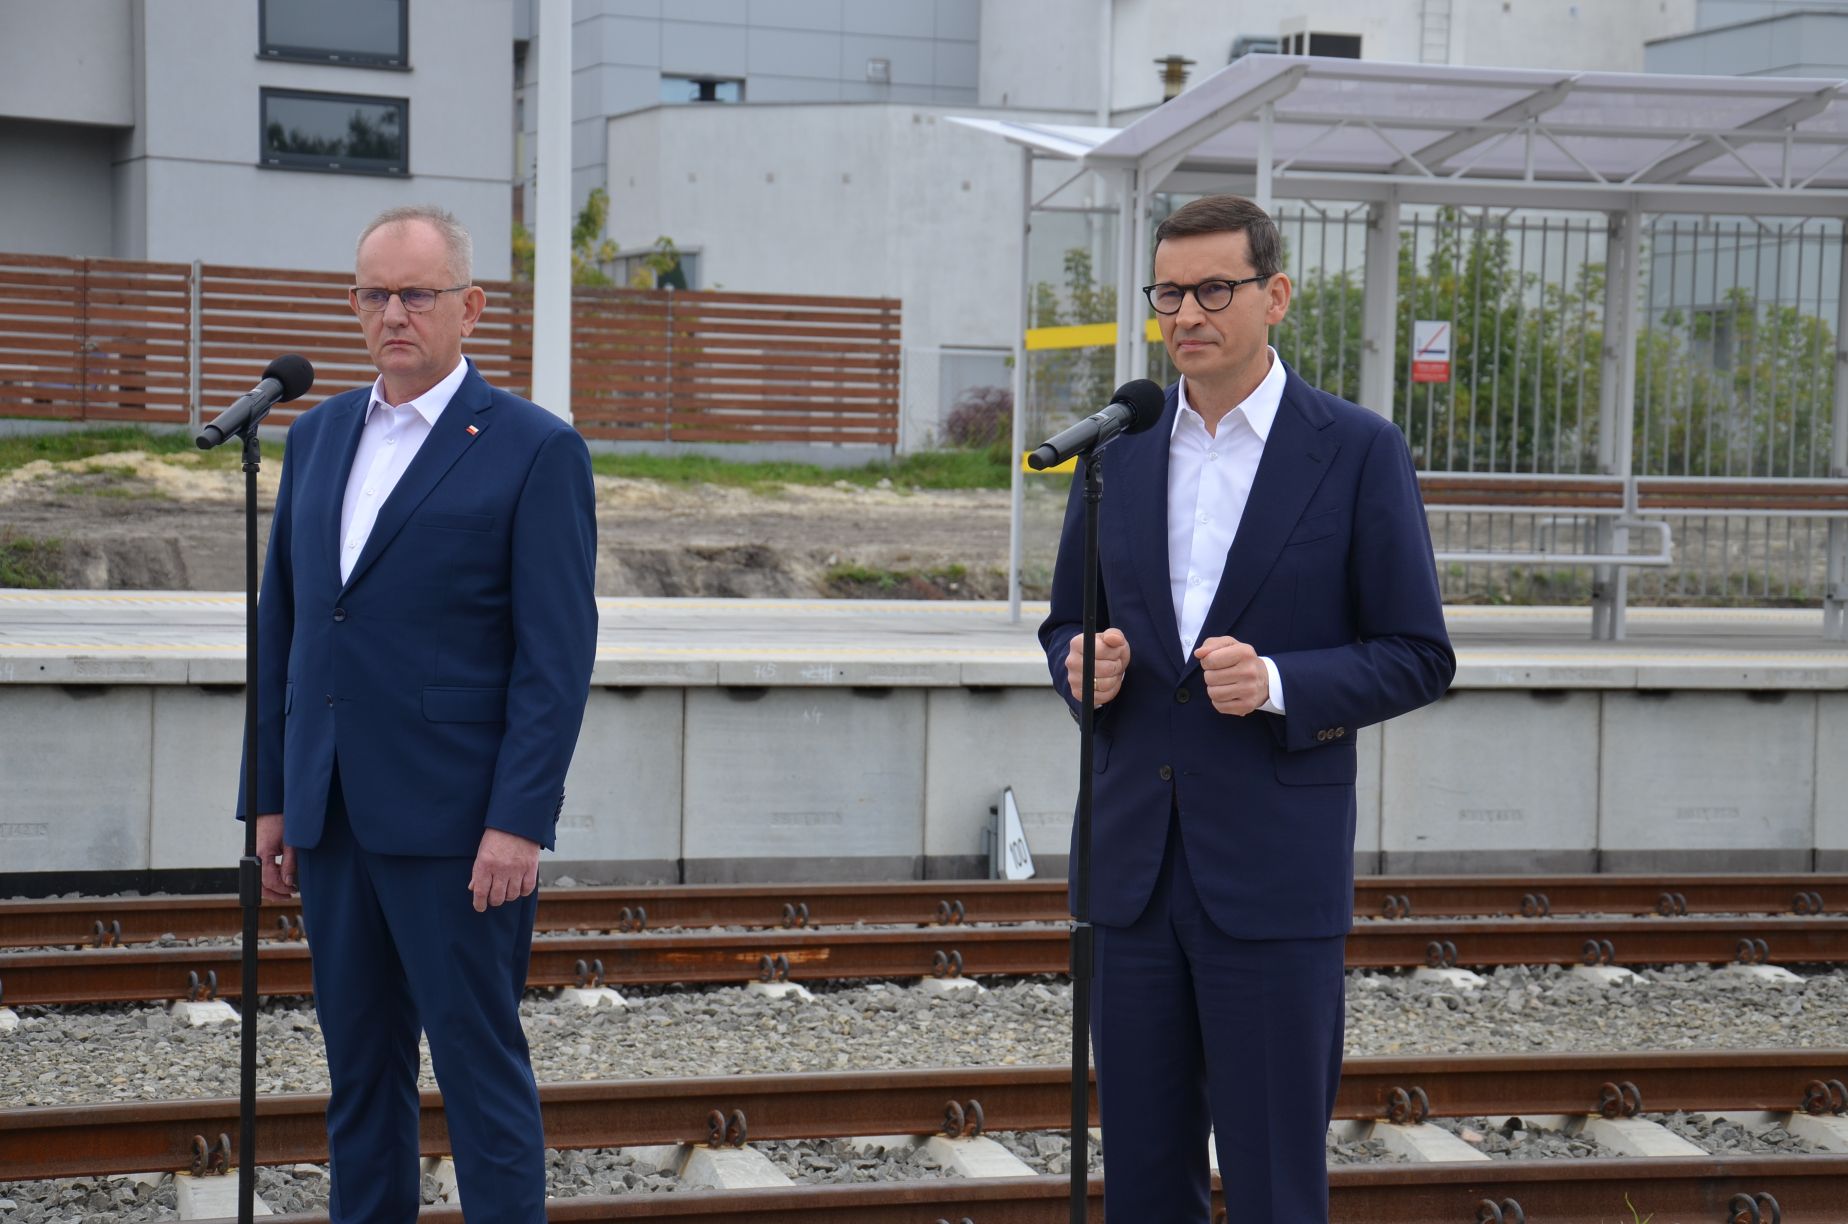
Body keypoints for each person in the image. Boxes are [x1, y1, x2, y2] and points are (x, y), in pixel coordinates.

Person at [1038, 195, 1454, 1222]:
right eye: (1170, 292)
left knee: (1273, 1180)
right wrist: (1077, 665)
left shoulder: (1355, 450)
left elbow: (1419, 654)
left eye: (1214, 289)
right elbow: (1061, 627)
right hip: (1132, 877)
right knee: (1141, 1180)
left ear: (1275, 297)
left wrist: (1277, 685)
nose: (1188, 314)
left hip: (1271, 879)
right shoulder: (1119, 451)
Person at [242, 203, 597, 1223]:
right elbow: (290, 630)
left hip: (459, 825)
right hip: (335, 814)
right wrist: (270, 797)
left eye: (416, 294)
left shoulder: (533, 449)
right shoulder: (313, 440)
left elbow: (555, 658)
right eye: (373, 294)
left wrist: (519, 819)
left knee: (480, 1079)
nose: (392, 313)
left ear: (470, 308)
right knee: (359, 1077)